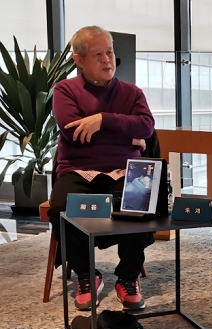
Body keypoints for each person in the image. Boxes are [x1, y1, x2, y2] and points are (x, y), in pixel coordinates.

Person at [49, 26, 155, 311]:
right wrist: (129, 138)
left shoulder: (132, 92)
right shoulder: (65, 90)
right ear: (79, 60)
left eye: (109, 52)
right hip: (78, 169)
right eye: (98, 55)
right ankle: (87, 274)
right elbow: (73, 132)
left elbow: (146, 127)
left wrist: (102, 120)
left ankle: (128, 277)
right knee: (61, 206)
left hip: (123, 168)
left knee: (139, 199)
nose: (107, 60)